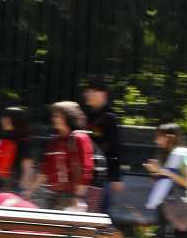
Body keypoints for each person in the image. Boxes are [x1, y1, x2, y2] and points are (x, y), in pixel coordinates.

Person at [144, 123, 187, 238]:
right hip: (166, 211)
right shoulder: (165, 156)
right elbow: (163, 184)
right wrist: (155, 172)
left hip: (181, 209)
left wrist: (161, 171)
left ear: (170, 137)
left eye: (159, 136)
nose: (156, 140)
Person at [37, 101, 94, 210]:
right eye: (54, 115)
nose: (53, 119)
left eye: (57, 116)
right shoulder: (55, 140)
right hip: (51, 194)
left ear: (68, 116)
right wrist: (31, 190)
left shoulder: (79, 138)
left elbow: (86, 170)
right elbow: (45, 169)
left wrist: (78, 197)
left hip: (70, 196)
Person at [83, 76, 123, 214]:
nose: (87, 94)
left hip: (102, 175)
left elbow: (115, 148)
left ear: (103, 94)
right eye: (87, 91)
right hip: (87, 174)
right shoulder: (87, 116)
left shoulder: (109, 118)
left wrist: (115, 177)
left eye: (91, 91)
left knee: (99, 213)